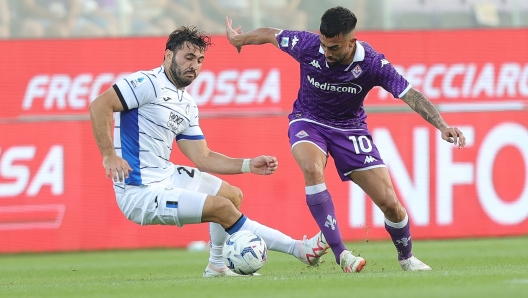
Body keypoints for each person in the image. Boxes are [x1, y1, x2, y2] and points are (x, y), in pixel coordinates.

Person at [225, 6, 466, 273]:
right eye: (325, 45)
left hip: (351, 130)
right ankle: (342, 255)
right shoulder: (307, 45)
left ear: (351, 42)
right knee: (312, 168)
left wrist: (441, 125)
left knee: (390, 204)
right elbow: (271, 34)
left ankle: (407, 258)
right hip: (308, 120)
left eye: (335, 48)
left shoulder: (372, 62)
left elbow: (409, 93)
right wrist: (240, 39)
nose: (327, 53)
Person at [89, 25, 328, 278]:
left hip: (166, 175)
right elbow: (99, 105)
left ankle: (217, 265)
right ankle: (299, 249)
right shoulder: (147, 83)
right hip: (140, 190)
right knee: (222, 209)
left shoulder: (187, 104)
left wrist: (248, 164)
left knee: (232, 195)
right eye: (188, 57)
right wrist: (109, 155)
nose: (195, 65)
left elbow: (203, 157)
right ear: (169, 55)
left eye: (200, 60)